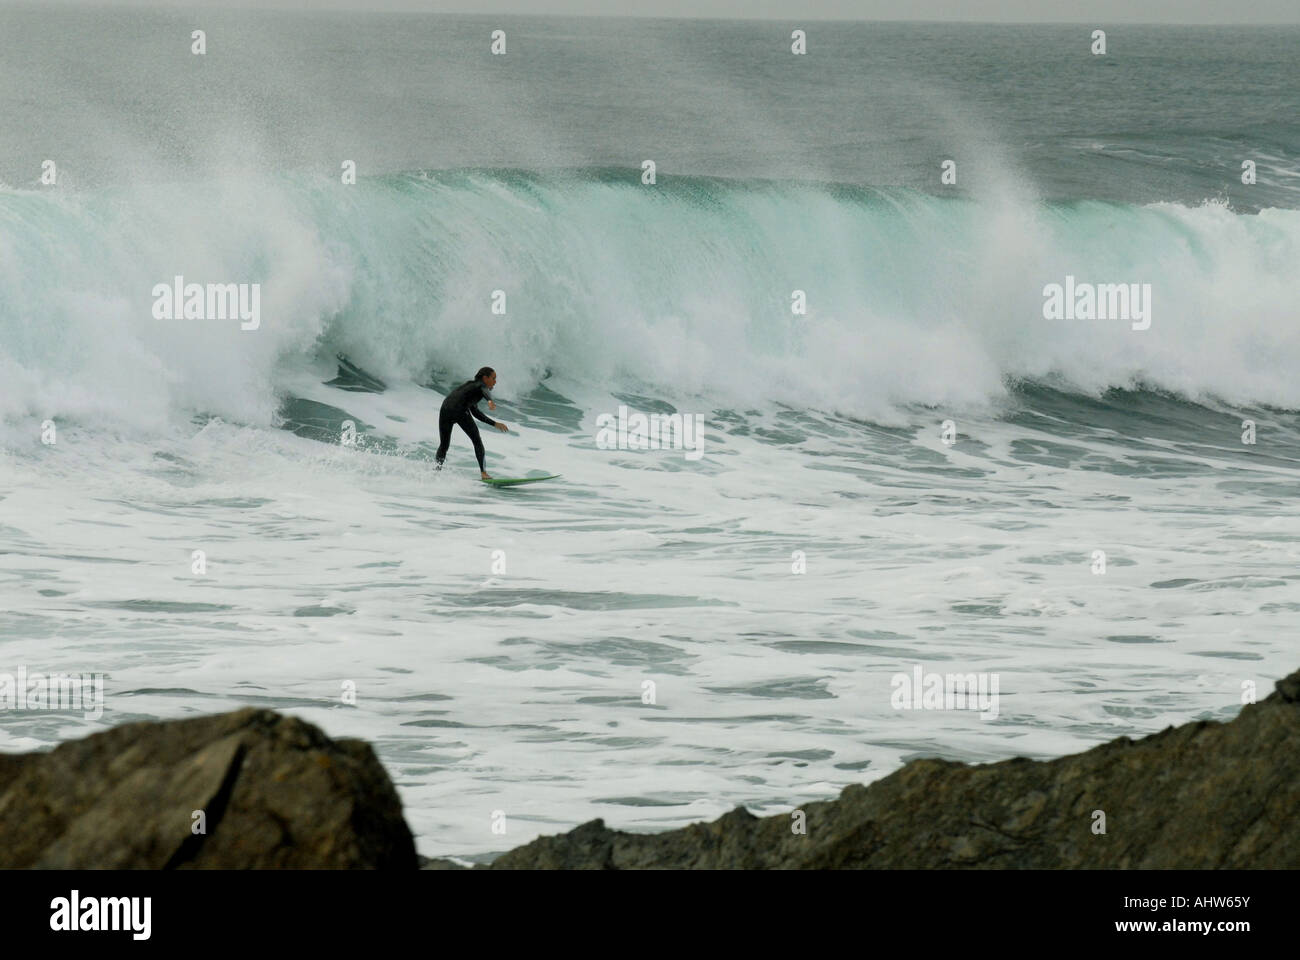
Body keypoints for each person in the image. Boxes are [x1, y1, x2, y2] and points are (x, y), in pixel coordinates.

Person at [435, 366, 508, 479]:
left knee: (444, 445)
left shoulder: (470, 389)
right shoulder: (480, 385)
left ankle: (436, 471)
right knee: (477, 441)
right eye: (493, 378)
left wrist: (494, 424)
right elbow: (484, 390)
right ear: (485, 378)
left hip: (445, 409)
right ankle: (484, 473)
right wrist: (489, 400)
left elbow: (475, 412)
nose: (495, 382)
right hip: (458, 410)